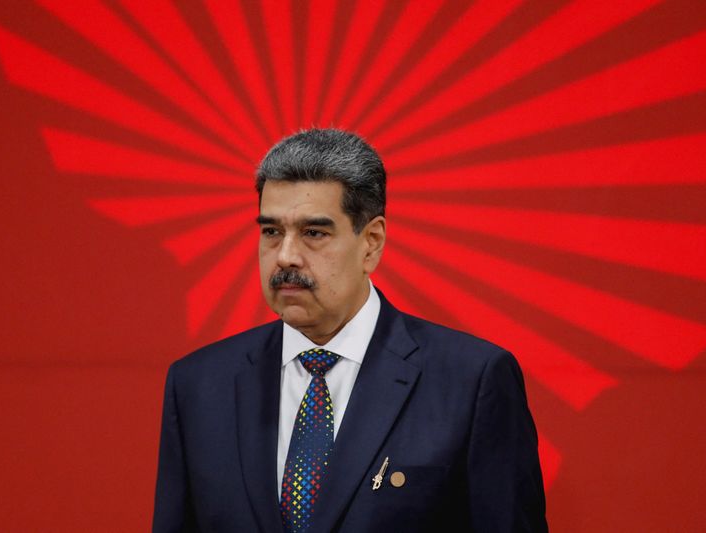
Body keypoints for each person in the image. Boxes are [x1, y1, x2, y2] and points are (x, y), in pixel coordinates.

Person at [153, 129, 547, 532]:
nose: (286, 255)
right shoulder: (199, 385)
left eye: (314, 233)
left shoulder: (471, 382)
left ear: (371, 242)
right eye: (271, 231)